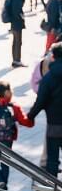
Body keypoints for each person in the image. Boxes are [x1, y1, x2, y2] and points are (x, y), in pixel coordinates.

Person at [0, 81, 34, 191]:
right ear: (7, 92)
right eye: (10, 90)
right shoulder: (14, 108)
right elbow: (25, 122)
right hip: (8, 140)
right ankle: (3, 184)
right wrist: (32, 117)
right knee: (6, 162)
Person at [28, 42, 62, 179]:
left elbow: (40, 101)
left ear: (53, 57)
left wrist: (30, 116)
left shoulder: (48, 78)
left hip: (54, 126)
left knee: (52, 160)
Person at [8, 0, 26, 67]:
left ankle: (15, 59)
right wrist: (21, 18)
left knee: (15, 42)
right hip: (17, 23)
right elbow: (16, 11)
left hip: (14, 23)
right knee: (18, 42)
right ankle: (17, 60)